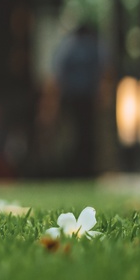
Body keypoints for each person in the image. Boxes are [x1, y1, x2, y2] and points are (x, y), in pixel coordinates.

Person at [40, 21, 108, 178]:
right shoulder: (95, 46)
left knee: (73, 135)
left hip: (71, 99)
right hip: (84, 99)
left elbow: (56, 76)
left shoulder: (68, 47)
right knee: (87, 135)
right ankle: (86, 169)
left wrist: (52, 104)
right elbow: (105, 72)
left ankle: (75, 170)